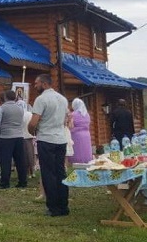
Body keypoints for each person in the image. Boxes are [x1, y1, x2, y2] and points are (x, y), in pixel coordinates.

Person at [28, 74, 70, 217]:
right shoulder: (63, 99)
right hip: (60, 139)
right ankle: (64, 206)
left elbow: (33, 122)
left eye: (36, 83)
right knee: (60, 172)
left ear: (44, 84)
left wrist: (31, 131)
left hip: (46, 139)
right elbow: (66, 119)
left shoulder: (41, 99)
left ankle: (53, 207)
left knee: (48, 174)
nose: (35, 86)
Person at [0, 90, 27, 189]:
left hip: (6, 137)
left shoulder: (2, 108)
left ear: (5, 97)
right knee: (20, 161)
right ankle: (22, 181)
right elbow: (21, 121)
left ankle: (5, 183)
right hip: (19, 136)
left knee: (5, 161)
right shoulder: (20, 108)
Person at [68, 98, 93, 164]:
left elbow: (71, 126)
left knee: (78, 149)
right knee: (85, 149)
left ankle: (76, 161)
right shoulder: (87, 114)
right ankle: (87, 161)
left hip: (76, 135)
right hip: (86, 134)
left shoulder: (73, 114)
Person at [20, 103, 36, 179]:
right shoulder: (30, 114)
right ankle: (32, 171)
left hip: (21, 136)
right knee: (31, 154)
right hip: (29, 136)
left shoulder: (20, 114)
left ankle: (27, 172)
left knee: (24, 155)